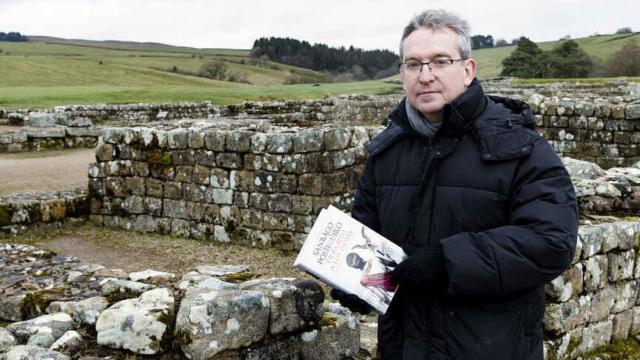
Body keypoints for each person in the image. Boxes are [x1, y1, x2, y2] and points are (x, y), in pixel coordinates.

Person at [330, 9, 578, 360]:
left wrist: (448, 262)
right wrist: (358, 282)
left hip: (489, 347)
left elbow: (550, 242)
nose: (425, 75)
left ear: (468, 69)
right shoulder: (387, 152)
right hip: (404, 346)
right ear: (402, 73)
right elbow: (367, 234)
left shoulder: (521, 147)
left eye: (439, 61)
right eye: (413, 64)